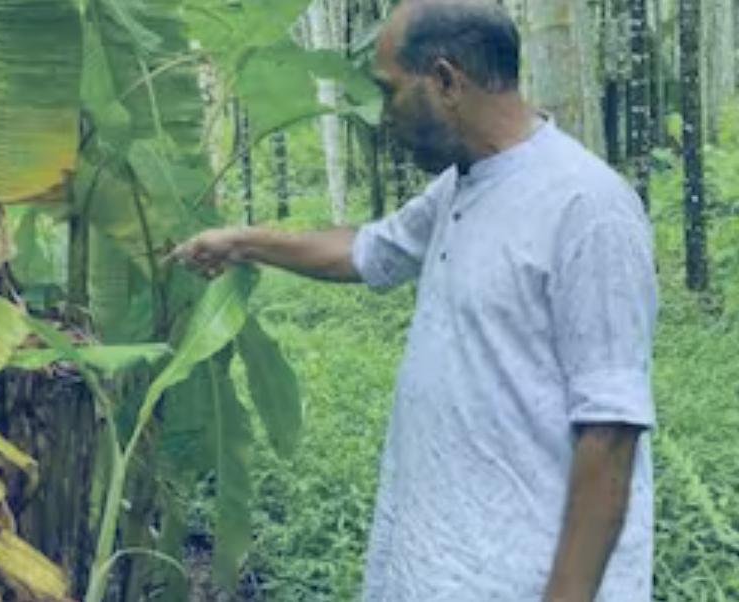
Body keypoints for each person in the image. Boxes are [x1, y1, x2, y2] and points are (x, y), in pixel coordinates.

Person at [170, 1, 658, 601]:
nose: (381, 115)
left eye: (390, 91)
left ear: (447, 81)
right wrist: (242, 241)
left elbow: (610, 434)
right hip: (439, 565)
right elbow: (365, 251)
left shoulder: (587, 207)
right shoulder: (461, 185)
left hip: (520, 579)